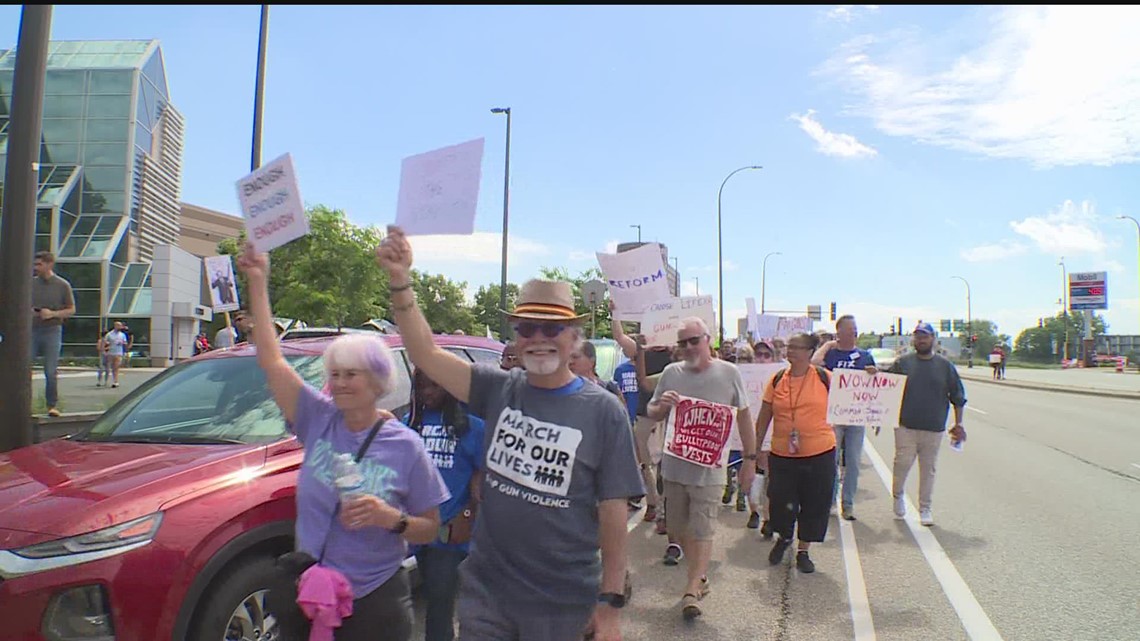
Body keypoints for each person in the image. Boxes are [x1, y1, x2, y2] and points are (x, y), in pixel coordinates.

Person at [377, 225, 643, 641]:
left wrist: (609, 603)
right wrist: (400, 279)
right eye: (526, 328)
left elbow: (613, 512)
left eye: (551, 329)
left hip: (563, 600)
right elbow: (424, 353)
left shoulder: (603, 410)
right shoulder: (496, 389)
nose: (538, 338)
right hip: (488, 593)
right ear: (515, 336)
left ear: (574, 338)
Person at [237, 243, 449, 641]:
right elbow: (271, 359)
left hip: (375, 599)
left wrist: (391, 519)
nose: (340, 383)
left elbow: (430, 529)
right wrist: (258, 280)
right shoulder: (318, 418)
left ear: (377, 382)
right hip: (311, 590)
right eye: (335, 374)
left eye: (352, 374)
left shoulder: (405, 446)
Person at [646, 318, 756, 619]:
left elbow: (744, 417)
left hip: (710, 470)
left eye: (694, 340)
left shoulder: (729, 373)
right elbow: (651, 410)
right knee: (679, 530)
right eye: (683, 343)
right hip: (674, 469)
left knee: (702, 528)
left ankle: (692, 589)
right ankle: (701, 577)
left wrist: (750, 459)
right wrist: (663, 407)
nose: (689, 347)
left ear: (709, 340)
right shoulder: (671, 373)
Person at [405, 369, 486, 641]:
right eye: (423, 387)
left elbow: (482, 476)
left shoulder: (471, 427)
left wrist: (469, 512)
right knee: (429, 595)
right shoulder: (408, 425)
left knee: (439, 603)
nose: (429, 392)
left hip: (450, 533)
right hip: (415, 529)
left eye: (436, 385)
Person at [755, 333, 837, 574]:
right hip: (782, 454)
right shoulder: (777, 379)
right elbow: (763, 417)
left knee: (814, 504)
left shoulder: (825, 378)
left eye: (797, 348)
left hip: (819, 452)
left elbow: (855, 398)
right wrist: (756, 448)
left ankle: (804, 550)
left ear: (810, 352)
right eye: (789, 347)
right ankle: (784, 537)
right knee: (780, 501)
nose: (790, 351)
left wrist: (868, 378)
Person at [881, 322, 967, 527]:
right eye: (918, 336)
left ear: (933, 339)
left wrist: (959, 424)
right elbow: (885, 389)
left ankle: (925, 508)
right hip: (906, 426)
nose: (921, 339)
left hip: (934, 427)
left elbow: (958, 396)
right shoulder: (903, 363)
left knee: (928, 469)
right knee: (901, 464)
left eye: (925, 336)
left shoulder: (945, 366)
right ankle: (898, 496)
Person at [811, 314, 877, 521]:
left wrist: (873, 373)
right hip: (833, 416)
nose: (854, 333)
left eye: (855, 330)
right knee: (831, 461)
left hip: (856, 419)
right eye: (849, 330)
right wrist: (829, 344)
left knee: (853, 463)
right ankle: (829, 501)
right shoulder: (831, 355)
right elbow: (814, 363)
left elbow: (875, 388)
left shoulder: (865, 356)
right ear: (839, 332)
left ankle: (848, 504)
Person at [31, 251, 75, 417]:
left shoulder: (62, 285)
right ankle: (22, 405)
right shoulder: (30, 284)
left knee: (50, 369)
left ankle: (51, 405)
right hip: (32, 329)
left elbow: (71, 310)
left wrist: (52, 314)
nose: (36, 268)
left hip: (52, 330)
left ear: (49, 264)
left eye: (39, 264)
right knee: (24, 367)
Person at [101, 321, 129, 388]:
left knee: (116, 367)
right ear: (115, 326)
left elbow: (125, 343)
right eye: (118, 325)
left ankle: (115, 381)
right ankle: (106, 381)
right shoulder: (109, 334)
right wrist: (104, 351)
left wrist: (125, 349)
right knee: (108, 367)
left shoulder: (122, 335)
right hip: (111, 353)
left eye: (120, 326)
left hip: (118, 353)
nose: (120, 327)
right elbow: (104, 342)